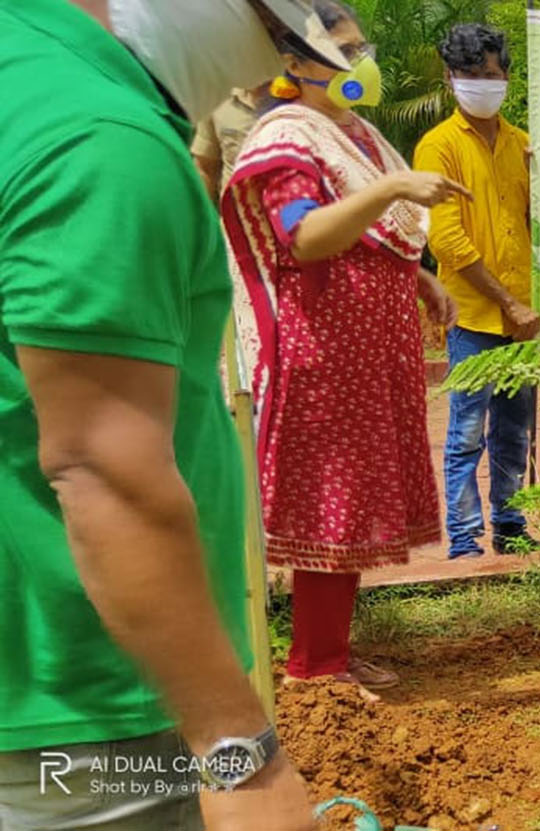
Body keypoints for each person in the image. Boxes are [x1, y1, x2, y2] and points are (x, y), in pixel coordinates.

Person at [0, 1, 353, 828]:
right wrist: (241, 755)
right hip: (94, 724)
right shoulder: (103, 141)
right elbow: (103, 473)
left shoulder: (23, 65)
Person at [219, 0, 463, 700]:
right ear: (293, 63)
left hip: (364, 357)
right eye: (346, 49)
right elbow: (304, 235)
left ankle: (332, 652)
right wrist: (393, 185)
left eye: (364, 46)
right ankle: (313, 665)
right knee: (330, 504)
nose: (364, 62)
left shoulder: (350, 133)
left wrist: (415, 279)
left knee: (349, 506)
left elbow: (367, 232)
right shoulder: (287, 140)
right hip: (321, 357)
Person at [415, 23, 540, 560]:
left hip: (524, 316)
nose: (482, 83)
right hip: (473, 317)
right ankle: (464, 539)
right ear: (450, 79)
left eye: (491, 74)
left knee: (515, 430)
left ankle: (510, 526)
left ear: (506, 76)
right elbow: (445, 239)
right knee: (467, 431)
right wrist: (505, 301)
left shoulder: (523, 145)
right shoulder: (437, 147)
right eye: (470, 75)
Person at [191, 83, 272, 200]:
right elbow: (205, 168)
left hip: (287, 213)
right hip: (231, 214)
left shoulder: (300, 93)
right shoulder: (217, 96)